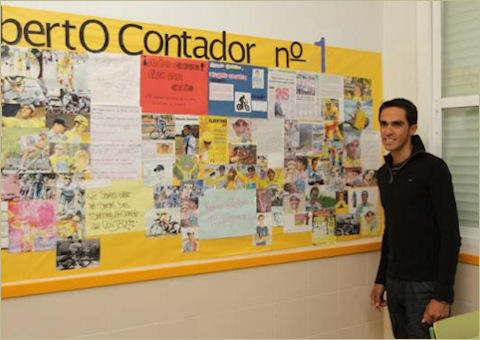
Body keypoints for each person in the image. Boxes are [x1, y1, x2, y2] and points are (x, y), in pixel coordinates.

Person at [370, 98, 461, 339]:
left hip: (425, 285)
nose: (388, 131)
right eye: (384, 124)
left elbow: (450, 234)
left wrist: (443, 296)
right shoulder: (383, 173)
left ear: (412, 128)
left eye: (397, 124)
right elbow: (392, 231)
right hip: (395, 281)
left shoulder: (433, 169)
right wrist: (381, 280)